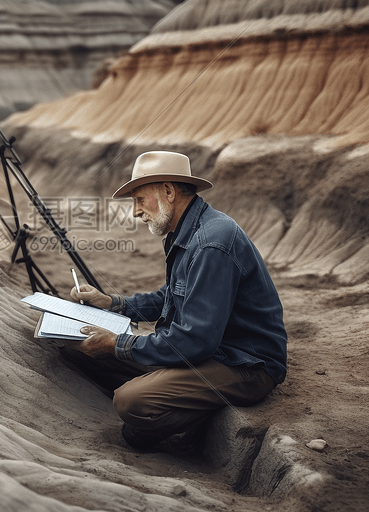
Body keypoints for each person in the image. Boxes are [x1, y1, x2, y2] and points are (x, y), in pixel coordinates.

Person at [64, 151, 287, 451]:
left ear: (168, 191)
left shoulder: (212, 242)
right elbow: (170, 295)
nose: (135, 212)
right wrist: (112, 303)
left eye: (139, 199)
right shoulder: (185, 231)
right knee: (81, 350)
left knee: (130, 401)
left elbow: (195, 340)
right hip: (205, 353)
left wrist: (118, 343)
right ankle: (177, 399)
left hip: (243, 364)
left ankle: (189, 417)